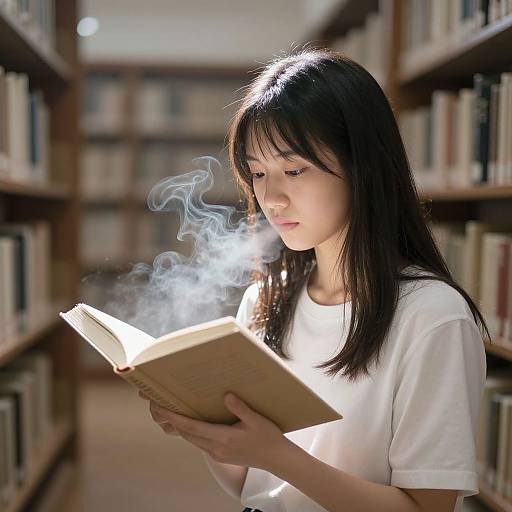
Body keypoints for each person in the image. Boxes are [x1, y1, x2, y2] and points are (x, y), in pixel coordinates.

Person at [140, 47, 489, 512]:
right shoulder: (264, 299)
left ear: (362, 166)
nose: (272, 198)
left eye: (295, 170)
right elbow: (254, 488)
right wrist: (209, 432)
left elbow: (427, 508)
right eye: (258, 173)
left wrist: (276, 455)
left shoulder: (431, 316)